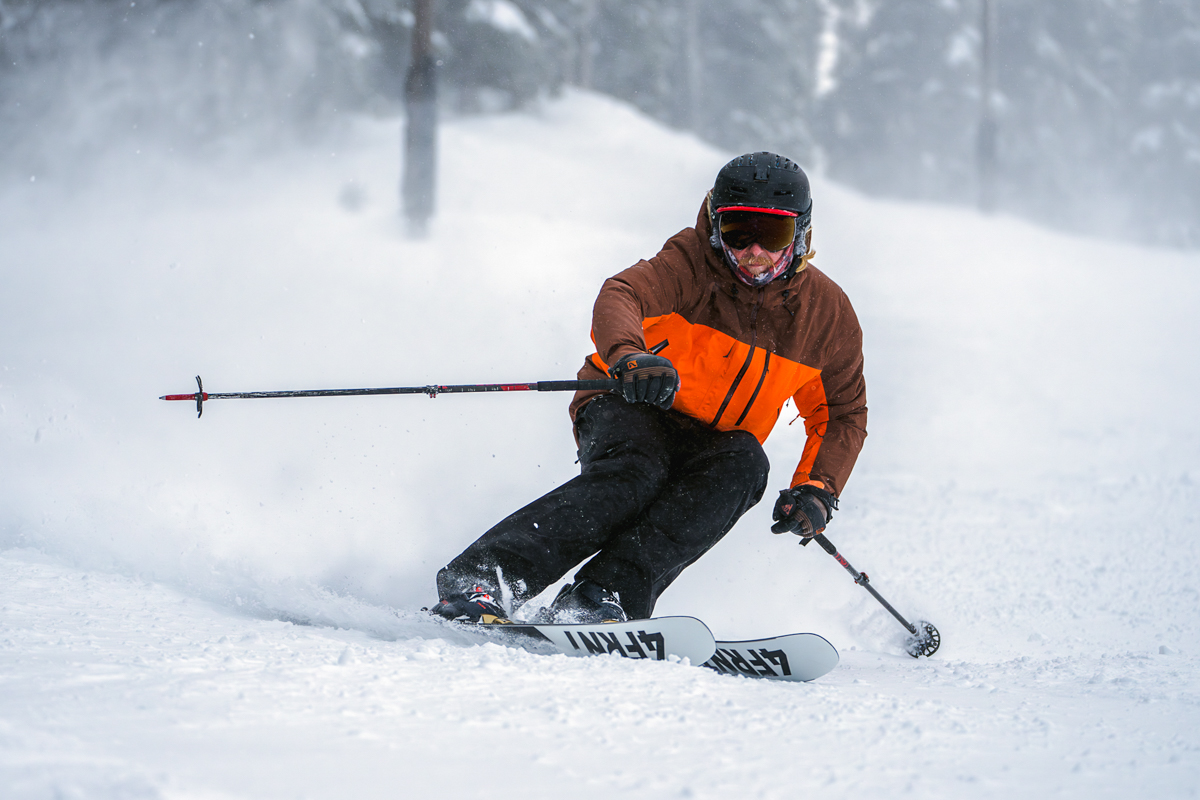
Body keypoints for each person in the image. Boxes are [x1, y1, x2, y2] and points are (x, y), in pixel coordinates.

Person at [431, 152, 867, 624]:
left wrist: (817, 488)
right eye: (739, 233)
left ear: (801, 234)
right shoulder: (691, 263)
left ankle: (600, 598)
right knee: (636, 474)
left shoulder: (826, 314)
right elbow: (622, 293)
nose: (754, 253)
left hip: (716, 442)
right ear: (716, 226)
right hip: (632, 399)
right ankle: (483, 577)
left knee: (745, 466)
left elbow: (842, 413)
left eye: (774, 234)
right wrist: (630, 357)